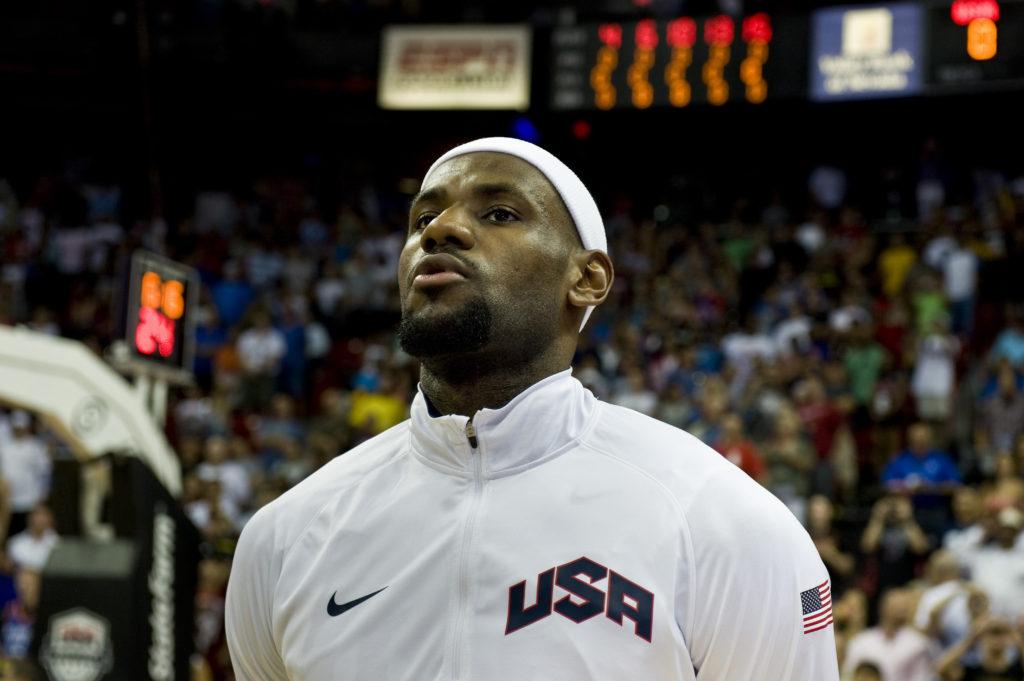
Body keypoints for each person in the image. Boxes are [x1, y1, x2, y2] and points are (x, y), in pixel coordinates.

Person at [225, 138, 839, 680]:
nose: (440, 231)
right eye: (424, 217)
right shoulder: (284, 538)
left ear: (588, 280)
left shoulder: (723, 522)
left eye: (498, 213)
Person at [843, 588, 936, 681]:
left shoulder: (918, 644)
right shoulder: (861, 640)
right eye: (894, 605)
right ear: (882, 607)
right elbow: (850, 673)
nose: (899, 610)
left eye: (902, 606)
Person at [936, 615, 1024, 681]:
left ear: (1009, 639)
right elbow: (942, 668)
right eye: (992, 634)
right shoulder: (971, 671)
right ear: (981, 638)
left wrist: (1014, 635)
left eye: (1001, 634)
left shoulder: (1017, 670)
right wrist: (971, 639)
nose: (996, 640)